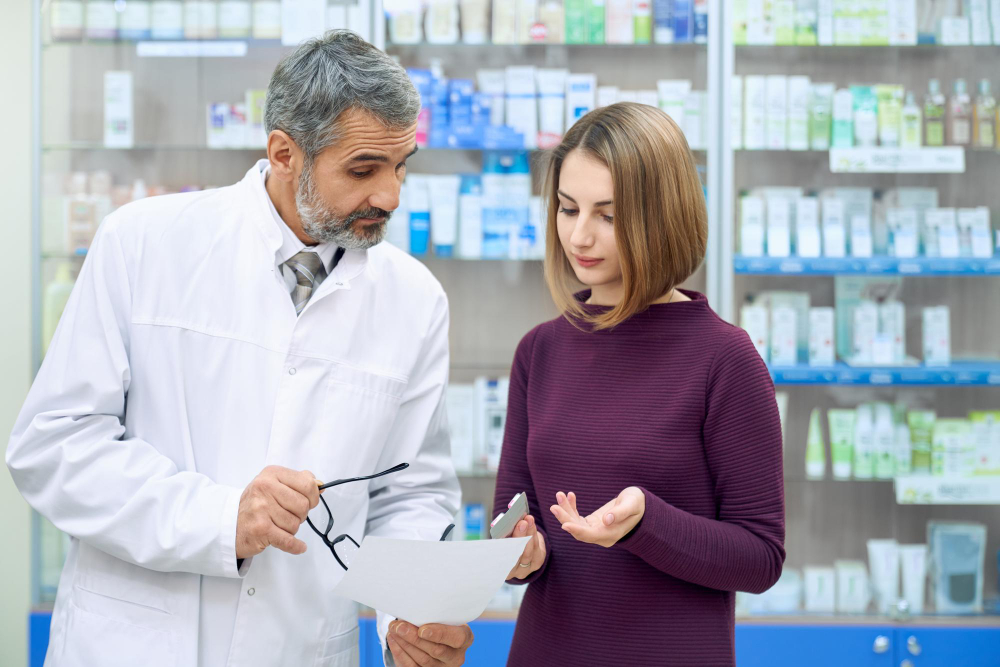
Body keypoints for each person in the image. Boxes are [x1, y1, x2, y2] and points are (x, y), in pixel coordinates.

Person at [7, 31, 474, 667]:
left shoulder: (413, 299)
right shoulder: (142, 244)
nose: (389, 195)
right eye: (364, 170)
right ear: (285, 153)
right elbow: (52, 444)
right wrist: (219, 519)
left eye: (400, 167)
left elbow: (410, 491)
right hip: (133, 642)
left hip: (298, 644)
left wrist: (408, 612)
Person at [494, 102, 786, 666]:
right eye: (567, 208)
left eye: (608, 214)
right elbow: (513, 523)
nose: (580, 234)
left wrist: (645, 522)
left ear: (662, 215)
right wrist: (517, 554)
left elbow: (760, 557)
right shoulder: (539, 352)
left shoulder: (724, 359)